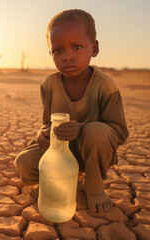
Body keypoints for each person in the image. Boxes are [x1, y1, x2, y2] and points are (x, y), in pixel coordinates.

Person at [14, 9, 129, 214]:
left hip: (92, 153)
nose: (67, 56)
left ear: (94, 48)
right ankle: (54, 182)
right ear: (50, 54)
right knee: (23, 162)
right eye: (58, 51)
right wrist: (44, 134)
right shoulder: (49, 85)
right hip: (58, 153)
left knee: (96, 132)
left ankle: (94, 189)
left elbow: (119, 131)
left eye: (76, 47)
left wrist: (81, 129)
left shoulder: (105, 85)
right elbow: (46, 123)